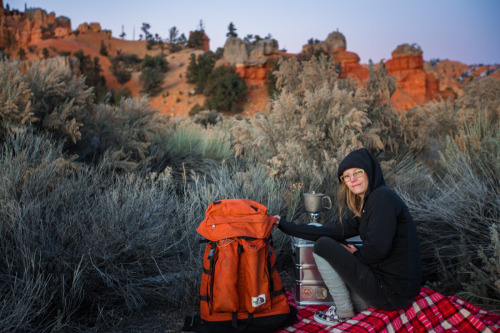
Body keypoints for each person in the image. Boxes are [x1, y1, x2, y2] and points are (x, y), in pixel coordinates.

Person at [274, 148, 421, 326]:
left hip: (391, 293)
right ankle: (359, 304)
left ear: (370, 172)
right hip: (391, 291)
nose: (352, 180)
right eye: (346, 176)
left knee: (322, 246)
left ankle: (343, 311)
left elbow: (377, 249)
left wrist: (356, 255)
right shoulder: (368, 205)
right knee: (328, 241)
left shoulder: (382, 198)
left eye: (358, 172)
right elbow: (332, 231)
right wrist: (283, 224)